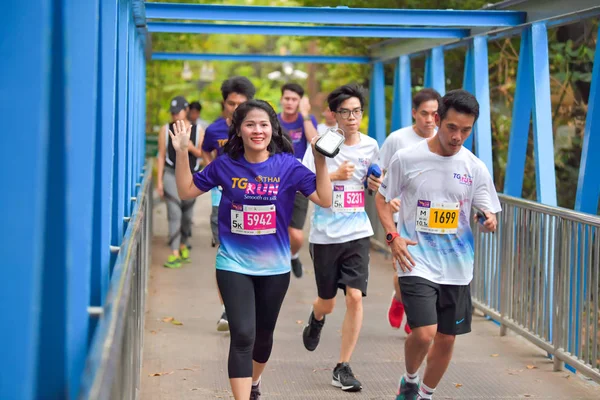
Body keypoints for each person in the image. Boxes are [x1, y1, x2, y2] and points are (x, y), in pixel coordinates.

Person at [170, 99, 332, 400]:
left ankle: (254, 383)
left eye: (263, 125)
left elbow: (324, 198)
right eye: (250, 124)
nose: (257, 131)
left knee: (262, 337)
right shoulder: (224, 165)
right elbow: (185, 191)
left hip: (275, 267)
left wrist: (321, 160)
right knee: (242, 334)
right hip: (233, 264)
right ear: (238, 130)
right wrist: (181, 152)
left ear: (273, 129)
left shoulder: (288, 166)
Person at [374, 89, 501, 400]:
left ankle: (425, 394)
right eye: (452, 127)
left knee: (446, 339)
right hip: (415, 259)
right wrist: (392, 236)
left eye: (466, 130)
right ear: (437, 119)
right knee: (424, 332)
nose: (458, 136)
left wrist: (489, 220)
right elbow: (380, 199)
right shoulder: (408, 158)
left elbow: (489, 209)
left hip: (457, 267)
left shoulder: (475, 167)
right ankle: (410, 378)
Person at [301, 83, 382, 392]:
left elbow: (373, 183)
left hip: (358, 232)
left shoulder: (371, 145)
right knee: (328, 302)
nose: (352, 118)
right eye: (345, 112)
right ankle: (317, 318)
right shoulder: (321, 144)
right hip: (324, 235)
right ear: (334, 115)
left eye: (357, 111)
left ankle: (342, 366)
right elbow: (307, 186)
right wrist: (334, 176)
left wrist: (376, 183)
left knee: (354, 297)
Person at [378, 88, 441, 333]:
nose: (429, 120)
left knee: (429, 271)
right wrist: (389, 197)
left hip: (434, 218)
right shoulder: (397, 139)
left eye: (434, 114)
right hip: (402, 217)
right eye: (424, 113)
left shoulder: (443, 139)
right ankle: (400, 298)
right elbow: (380, 171)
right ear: (414, 113)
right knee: (404, 267)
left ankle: (416, 315)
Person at [202, 76, 256, 331]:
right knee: (225, 253)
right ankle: (227, 308)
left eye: (241, 104)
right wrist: (211, 171)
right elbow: (205, 151)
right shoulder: (213, 130)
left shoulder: (257, 130)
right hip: (221, 200)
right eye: (231, 104)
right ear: (224, 104)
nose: (235, 109)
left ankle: (249, 301)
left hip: (253, 200)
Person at [156, 95, 204, 268]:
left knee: (187, 214)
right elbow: (161, 156)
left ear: (186, 111)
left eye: (178, 111)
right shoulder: (165, 130)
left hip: (192, 175)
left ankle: (183, 244)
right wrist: (159, 181)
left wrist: (189, 146)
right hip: (170, 173)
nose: (175, 115)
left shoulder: (198, 130)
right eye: (173, 112)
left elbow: (203, 155)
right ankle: (174, 251)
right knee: (174, 211)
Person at [277, 83, 318, 278]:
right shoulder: (273, 121)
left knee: (296, 234)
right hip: (275, 183)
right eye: (287, 98)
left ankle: (293, 255)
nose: (289, 102)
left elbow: (315, 142)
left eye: (294, 99)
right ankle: (276, 266)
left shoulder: (307, 121)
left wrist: (306, 114)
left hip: (299, 184)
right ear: (281, 99)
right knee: (273, 228)